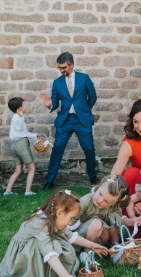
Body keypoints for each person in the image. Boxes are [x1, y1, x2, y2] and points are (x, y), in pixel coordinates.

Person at [0, 189, 109, 277]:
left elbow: (70, 236)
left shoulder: (54, 218)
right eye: (71, 218)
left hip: (41, 247)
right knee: (53, 244)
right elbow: (48, 252)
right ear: (60, 213)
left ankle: (56, 271)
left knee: (60, 241)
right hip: (24, 256)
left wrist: (92, 245)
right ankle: (39, 276)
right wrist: (65, 276)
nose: (70, 223)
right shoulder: (39, 223)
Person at [41, 52, 98, 189]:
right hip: (65, 121)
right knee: (57, 149)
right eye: (59, 68)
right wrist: (50, 105)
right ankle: (50, 180)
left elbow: (93, 97)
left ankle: (93, 176)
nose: (62, 70)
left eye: (64, 67)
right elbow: (55, 102)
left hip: (81, 121)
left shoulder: (84, 78)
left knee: (89, 148)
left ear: (72, 65)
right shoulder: (57, 82)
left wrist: (84, 110)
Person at [69, 175, 141, 250]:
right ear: (99, 186)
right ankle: (87, 252)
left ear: (114, 203)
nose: (100, 200)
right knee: (96, 223)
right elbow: (70, 222)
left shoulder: (114, 206)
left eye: (106, 201)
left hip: (100, 236)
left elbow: (119, 217)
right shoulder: (85, 202)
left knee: (114, 217)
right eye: (100, 194)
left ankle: (114, 248)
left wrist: (130, 222)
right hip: (82, 236)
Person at [4, 97, 40, 196]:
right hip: (21, 144)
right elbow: (23, 133)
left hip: (14, 145)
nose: (25, 106)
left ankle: (8, 191)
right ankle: (28, 191)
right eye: (24, 105)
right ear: (19, 108)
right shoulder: (18, 118)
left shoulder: (15, 117)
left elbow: (21, 132)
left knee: (18, 170)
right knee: (31, 168)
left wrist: (34, 135)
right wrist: (21, 116)